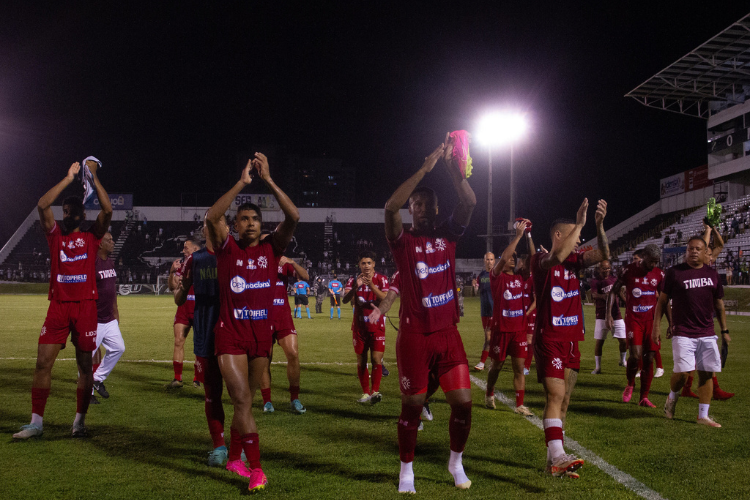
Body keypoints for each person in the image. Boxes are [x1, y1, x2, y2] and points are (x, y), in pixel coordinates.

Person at [384, 137, 476, 493]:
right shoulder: (402, 242)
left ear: (437, 210)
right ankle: (407, 469)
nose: (421, 208)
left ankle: (456, 463)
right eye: (416, 204)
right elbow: (389, 208)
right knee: (412, 405)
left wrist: (455, 170)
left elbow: (469, 201)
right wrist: (424, 168)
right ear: (411, 210)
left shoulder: (448, 236)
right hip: (414, 337)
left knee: (464, 405)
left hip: (447, 334)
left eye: (427, 204)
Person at [205, 152, 299, 493]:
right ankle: (257, 469)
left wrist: (270, 180)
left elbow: (294, 216)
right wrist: (243, 183)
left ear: (262, 224)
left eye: (254, 219)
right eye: (242, 219)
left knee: (246, 403)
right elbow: (212, 216)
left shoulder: (273, 249)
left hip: (262, 338)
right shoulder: (227, 248)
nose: (249, 223)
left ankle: (233, 456)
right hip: (230, 337)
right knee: (243, 402)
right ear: (236, 225)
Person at [13, 159, 112, 439]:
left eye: (73, 211)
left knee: (84, 367)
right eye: (65, 211)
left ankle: (79, 422)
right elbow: (43, 205)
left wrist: (92, 176)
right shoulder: (55, 236)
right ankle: (36, 423)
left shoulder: (93, 237)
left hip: (85, 308)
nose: (68, 215)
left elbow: (108, 209)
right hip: (57, 307)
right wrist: (69, 178)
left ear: (82, 213)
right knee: (43, 363)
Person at [530, 198, 609, 477]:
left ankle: (553, 462)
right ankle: (560, 456)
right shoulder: (540, 260)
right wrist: (581, 223)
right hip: (549, 337)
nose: (579, 242)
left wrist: (598, 226)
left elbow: (603, 254)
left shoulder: (575, 262)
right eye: (574, 235)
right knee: (556, 394)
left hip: (572, 339)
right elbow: (557, 256)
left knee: (564, 403)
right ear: (558, 236)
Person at [174, 213, 253, 473]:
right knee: (212, 395)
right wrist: (180, 288)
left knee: (240, 397)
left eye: (217, 221)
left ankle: (236, 450)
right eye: (208, 222)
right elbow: (179, 298)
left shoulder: (237, 254)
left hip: (235, 332)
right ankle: (219, 446)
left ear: (226, 228)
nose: (212, 225)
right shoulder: (194, 260)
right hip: (206, 333)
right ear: (205, 230)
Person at [654, 236, 729, 427]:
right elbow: (662, 302)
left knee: (706, 373)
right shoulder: (674, 273)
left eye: (697, 249)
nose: (693, 251)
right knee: (683, 373)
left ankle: (703, 415)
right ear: (686, 251)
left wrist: (724, 330)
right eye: (690, 249)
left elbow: (719, 304)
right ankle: (672, 398)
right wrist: (657, 326)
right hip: (683, 332)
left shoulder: (712, 274)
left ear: (705, 253)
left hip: (707, 331)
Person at [484, 220, 533, 416]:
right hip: (501, 330)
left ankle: (520, 404)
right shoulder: (496, 276)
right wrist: (518, 236)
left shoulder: (521, 277)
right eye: (510, 257)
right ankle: (489, 392)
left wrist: (528, 235)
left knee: (519, 368)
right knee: (496, 366)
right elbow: (503, 257)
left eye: (515, 257)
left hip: (519, 330)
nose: (513, 258)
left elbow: (532, 258)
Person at [607, 244, 664, 408]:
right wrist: (608, 314)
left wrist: (669, 323)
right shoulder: (628, 270)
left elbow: (663, 299)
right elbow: (613, 291)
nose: (653, 265)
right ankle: (630, 383)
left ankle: (644, 397)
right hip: (634, 320)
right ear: (644, 256)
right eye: (651, 261)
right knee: (635, 356)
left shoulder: (659, 274)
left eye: (656, 262)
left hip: (651, 322)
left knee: (650, 358)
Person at [680, 222, 734, 400]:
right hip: (696, 312)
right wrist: (708, 231)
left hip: (707, 310)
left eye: (711, 255)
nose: (711, 258)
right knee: (702, 353)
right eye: (708, 254)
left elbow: (720, 245)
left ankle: (689, 387)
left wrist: (714, 228)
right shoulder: (695, 266)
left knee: (702, 354)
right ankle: (708, 388)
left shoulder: (709, 265)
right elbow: (706, 245)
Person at [260, 255, 308, 414]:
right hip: (262, 317)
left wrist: (292, 262)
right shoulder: (256, 262)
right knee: (265, 360)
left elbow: (305, 277)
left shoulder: (283, 263)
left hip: (283, 317)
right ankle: (267, 401)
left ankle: (295, 398)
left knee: (293, 354)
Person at [343, 251, 389, 404]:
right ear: (359, 265)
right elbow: (345, 299)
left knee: (376, 359)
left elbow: (386, 298)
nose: (366, 266)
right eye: (363, 263)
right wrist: (357, 286)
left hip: (377, 326)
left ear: (374, 264)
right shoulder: (353, 280)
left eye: (369, 263)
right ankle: (365, 393)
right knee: (361, 361)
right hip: (359, 327)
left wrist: (371, 286)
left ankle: (375, 391)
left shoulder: (381, 279)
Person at [90, 233, 126, 402]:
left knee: (118, 348)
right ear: (100, 244)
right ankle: (86, 393)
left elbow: (111, 289)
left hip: (109, 317)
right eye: (109, 240)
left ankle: (97, 378)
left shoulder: (110, 262)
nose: (113, 242)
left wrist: (116, 310)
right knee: (87, 356)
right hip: (93, 319)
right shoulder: (91, 263)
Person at [167, 235, 202, 388]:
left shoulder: (204, 264)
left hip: (200, 310)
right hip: (183, 309)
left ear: (195, 249)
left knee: (199, 345)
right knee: (178, 341)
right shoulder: (181, 266)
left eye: (186, 247)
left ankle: (197, 379)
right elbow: (172, 287)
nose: (183, 250)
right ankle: (177, 378)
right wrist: (171, 272)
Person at [590, 260, 626, 373]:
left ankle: (622, 360)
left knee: (624, 341)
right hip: (601, 314)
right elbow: (594, 294)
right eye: (604, 268)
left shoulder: (614, 280)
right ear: (599, 269)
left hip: (616, 313)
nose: (606, 270)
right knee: (600, 341)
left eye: (608, 268)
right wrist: (604, 296)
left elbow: (619, 292)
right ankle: (598, 367)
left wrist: (627, 302)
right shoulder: (595, 281)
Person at [473, 252, 495, 371]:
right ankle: (493, 361)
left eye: (491, 259)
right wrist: (475, 287)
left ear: (494, 261)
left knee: (489, 337)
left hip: (494, 311)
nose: (489, 262)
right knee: (489, 338)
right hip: (484, 311)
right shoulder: (481, 276)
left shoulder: (497, 274)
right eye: (487, 259)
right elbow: (476, 292)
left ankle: (482, 362)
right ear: (484, 260)